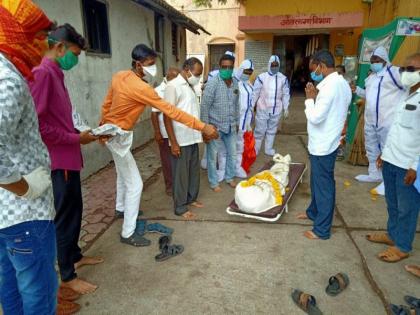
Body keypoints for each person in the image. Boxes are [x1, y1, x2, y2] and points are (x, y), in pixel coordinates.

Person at [100, 44, 218, 247]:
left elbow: (106, 103)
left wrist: (103, 124)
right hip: (118, 136)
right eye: (150, 64)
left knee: (122, 175)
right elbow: (171, 112)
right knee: (135, 184)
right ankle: (128, 233)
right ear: (138, 64)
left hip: (112, 132)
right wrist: (203, 126)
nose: (154, 67)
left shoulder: (119, 76)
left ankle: (121, 208)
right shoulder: (142, 88)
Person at [30, 23, 104, 301]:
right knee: (64, 217)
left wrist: (79, 134)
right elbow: (37, 125)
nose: (75, 59)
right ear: (59, 47)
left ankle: (74, 256)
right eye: (74, 52)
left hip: (69, 157)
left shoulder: (55, 73)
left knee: (76, 210)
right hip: (58, 159)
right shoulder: (43, 73)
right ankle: (68, 276)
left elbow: (57, 120)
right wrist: (74, 139)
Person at [0, 1, 58, 314]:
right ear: (15, 33)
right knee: (38, 294)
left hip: (4, 216)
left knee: (10, 291)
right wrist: (25, 188)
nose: (44, 45)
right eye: (38, 36)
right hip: (25, 214)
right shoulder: (7, 79)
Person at [366, 53, 420, 263]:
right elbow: (397, 129)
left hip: (408, 164)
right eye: (404, 69)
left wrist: (416, 166)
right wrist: (384, 153)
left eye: (412, 69)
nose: (406, 73)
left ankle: (403, 246)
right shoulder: (406, 93)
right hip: (391, 159)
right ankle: (392, 235)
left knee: (408, 207)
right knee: (392, 203)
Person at [297, 50, 352, 240]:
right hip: (325, 142)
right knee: (316, 181)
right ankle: (313, 212)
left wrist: (310, 99)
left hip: (324, 145)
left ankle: (321, 229)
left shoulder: (329, 88)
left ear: (321, 65)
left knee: (323, 187)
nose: (313, 72)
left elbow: (315, 117)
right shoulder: (342, 83)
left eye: (314, 68)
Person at [353, 46, 407, 196]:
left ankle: (387, 182)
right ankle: (374, 174)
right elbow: (368, 93)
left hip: (388, 120)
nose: (374, 63)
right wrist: (356, 90)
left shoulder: (394, 73)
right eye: (372, 60)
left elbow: (408, 86)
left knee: (387, 151)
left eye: (376, 60)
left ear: (384, 60)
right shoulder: (371, 77)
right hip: (371, 120)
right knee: (371, 147)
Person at [164, 57, 204, 220]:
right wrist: (173, 142)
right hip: (180, 138)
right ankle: (180, 207)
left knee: (193, 171)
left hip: (192, 136)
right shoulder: (173, 87)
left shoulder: (190, 86)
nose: (199, 77)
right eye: (197, 73)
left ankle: (191, 198)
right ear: (187, 70)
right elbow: (167, 116)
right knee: (180, 174)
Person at [201, 53, 239, 192]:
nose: (227, 70)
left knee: (232, 154)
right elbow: (204, 106)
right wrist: (205, 129)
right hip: (215, 127)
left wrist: (238, 122)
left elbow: (236, 104)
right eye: (224, 67)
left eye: (230, 67)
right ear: (219, 67)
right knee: (212, 156)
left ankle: (229, 178)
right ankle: (213, 182)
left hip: (231, 125)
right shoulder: (212, 84)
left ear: (233, 67)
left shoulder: (235, 82)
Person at [252, 55, 290, 156]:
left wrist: (286, 107)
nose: (274, 67)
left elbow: (286, 94)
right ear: (269, 65)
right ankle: (255, 149)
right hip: (263, 108)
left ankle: (268, 149)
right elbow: (255, 92)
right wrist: (252, 105)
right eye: (272, 65)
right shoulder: (262, 77)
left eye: (276, 65)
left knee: (272, 130)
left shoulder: (283, 78)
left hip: (276, 109)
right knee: (260, 130)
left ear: (279, 65)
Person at [151, 67, 180, 196]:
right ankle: (169, 186)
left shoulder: (176, 88)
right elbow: (154, 114)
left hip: (177, 131)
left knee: (177, 159)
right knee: (167, 161)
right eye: (175, 77)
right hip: (164, 132)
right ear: (168, 77)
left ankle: (178, 183)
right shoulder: (158, 91)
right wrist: (157, 132)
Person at [235, 59, 255, 178]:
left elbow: (250, 106)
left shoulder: (249, 85)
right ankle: (224, 169)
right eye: (245, 72)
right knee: (226, 147)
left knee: (240, 145)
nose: (247, 75)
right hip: (234, 122)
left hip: (244, 122)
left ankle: (237, 167)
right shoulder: (233, 83)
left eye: (249, 73)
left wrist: (249, 122)